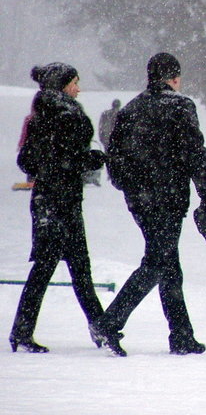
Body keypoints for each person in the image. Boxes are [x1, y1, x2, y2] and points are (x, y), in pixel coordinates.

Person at [90, 53, 206, 357]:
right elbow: (195, 154)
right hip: (169, 198)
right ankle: (109, 321)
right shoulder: (180, 106)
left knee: (167, 263)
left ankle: (182, 335)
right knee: (157, 263)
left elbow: (116, 157)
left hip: (140, 201)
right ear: (174, 77)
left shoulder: (131, 109)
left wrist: (131, 187)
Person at [10, 63, 106, 353]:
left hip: (45, 202)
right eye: (75, 82)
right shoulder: (67, 117)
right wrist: (90, 160)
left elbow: (26, 162)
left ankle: (23, 332)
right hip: (63, 202)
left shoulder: (38, 117)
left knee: (48, 269)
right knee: (78, 269)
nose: (79, 88)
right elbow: (69, 160)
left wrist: (54, 166)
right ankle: (102, 329)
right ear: (63, 86)